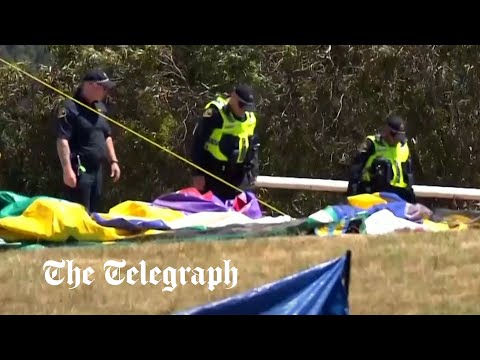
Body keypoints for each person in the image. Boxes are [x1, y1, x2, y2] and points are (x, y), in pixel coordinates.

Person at [55, 68, 121, 213]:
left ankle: (90, 236)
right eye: (104, 87)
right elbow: (62, 140)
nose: (106, 92)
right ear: (91, 85)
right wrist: (67, 170)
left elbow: (106, 135)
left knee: (94, 210)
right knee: (79, 212)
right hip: (80, 170)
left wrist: (114, 161)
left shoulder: (100, 108)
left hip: (97, 170)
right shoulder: (70, 108)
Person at [190, 84, 260, 202]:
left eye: (248, 107)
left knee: (244, 213)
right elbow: (198, 142)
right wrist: (198, 173)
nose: (244, 110)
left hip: (240, 175)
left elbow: (253, 147)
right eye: (241, 105)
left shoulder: (250, 119)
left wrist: (252, 174)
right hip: (215, 173)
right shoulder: (215, 114)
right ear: (232, 97)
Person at [346, 115, 416, 203]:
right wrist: (353, 195)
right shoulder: (372, 144)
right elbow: (355, 172)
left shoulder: (404, 147)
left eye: (400, 136)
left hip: (401, 195)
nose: (397, 140)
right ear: (386, 131)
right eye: (394, 135)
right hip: (376, 194)